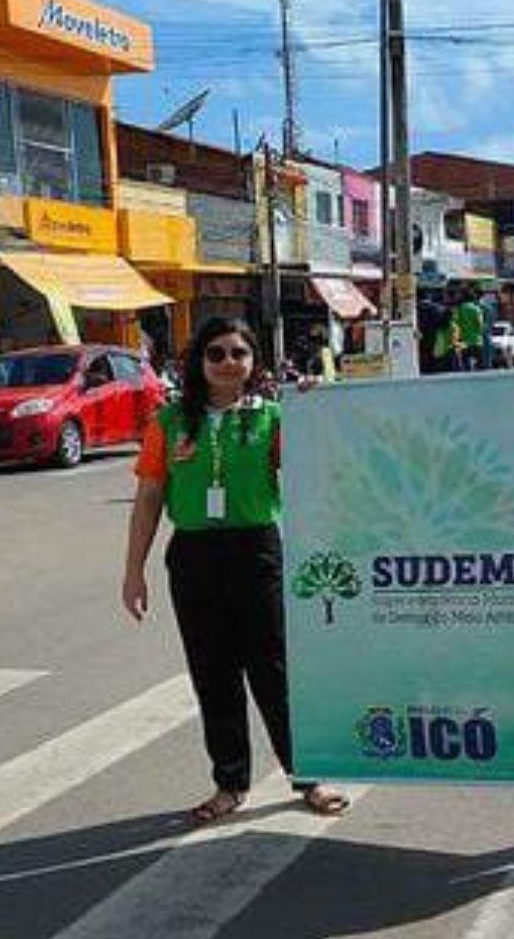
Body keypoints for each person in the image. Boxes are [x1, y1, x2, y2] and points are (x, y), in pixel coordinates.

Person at [122, 317, 349, 824]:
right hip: (194, 557)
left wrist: (314, 408)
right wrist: (133, 571)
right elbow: (149, 499)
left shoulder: (273, 417)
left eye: (238, 353)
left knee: (275, 672)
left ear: (253, 362)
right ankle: (229, 783)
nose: (228, 363)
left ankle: (308, 776)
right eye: (217, 353)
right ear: (199, 361)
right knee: (213, 674)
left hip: (257, 553)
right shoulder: (169, 422)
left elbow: (325, 464)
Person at [456, 292, 486, 371]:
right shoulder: (476, 309)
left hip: (464, 340)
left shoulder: (460, 309)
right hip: (476, 340)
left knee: (466, 364)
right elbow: (480, 324)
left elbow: (457, 322)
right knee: (480, 364)